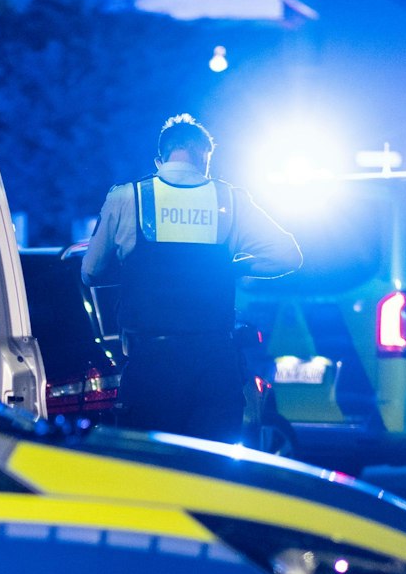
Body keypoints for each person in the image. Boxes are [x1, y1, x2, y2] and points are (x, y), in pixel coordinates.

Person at [81, 113, 301, 442]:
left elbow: (90, 271)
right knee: (210, 474)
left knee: (151, 472)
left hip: (151, 364)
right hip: (214, 363)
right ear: (204, 158)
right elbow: (288, 255)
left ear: (161, 158)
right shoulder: (230, 200)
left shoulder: (128, 198)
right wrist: (236, 266)